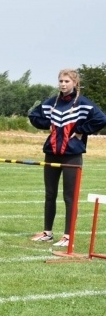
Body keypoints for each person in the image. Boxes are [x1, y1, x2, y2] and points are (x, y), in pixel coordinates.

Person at [28, 68, 106, 247]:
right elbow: (33, 115)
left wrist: (80, 130)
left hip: (72, 155)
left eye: (67, 81)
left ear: (75, 83)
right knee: (50, 194)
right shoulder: (52, 102)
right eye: (61, 81)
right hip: (51, 153)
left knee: (69, 197)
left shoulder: (84, 103)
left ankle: (67, 236)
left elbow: (101, 119)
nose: (63, 84)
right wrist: (47, 123)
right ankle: (47, 233)